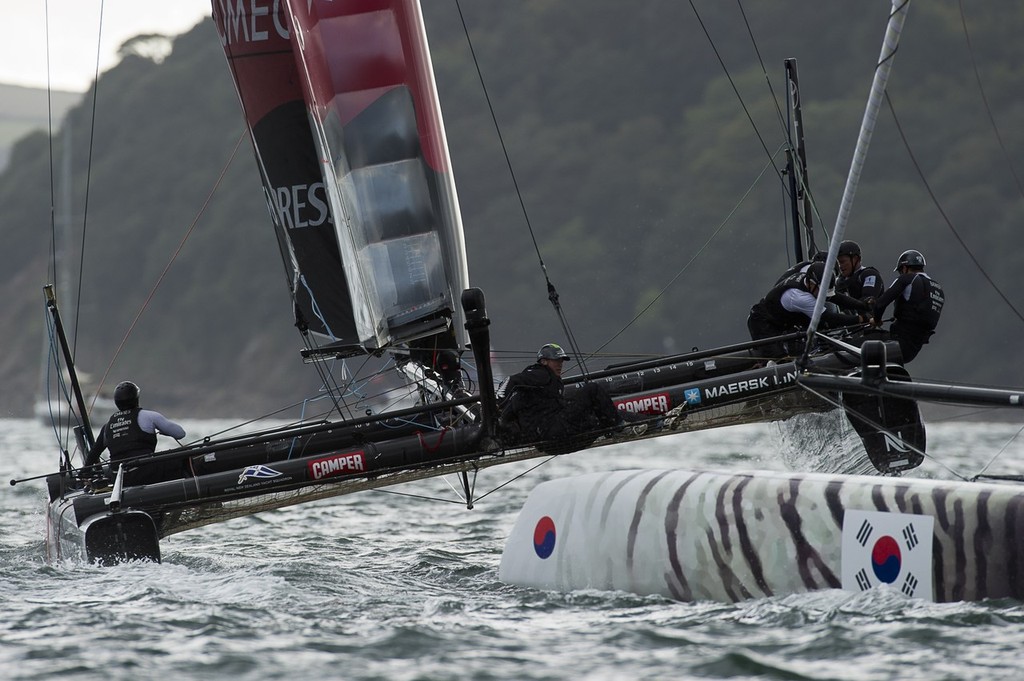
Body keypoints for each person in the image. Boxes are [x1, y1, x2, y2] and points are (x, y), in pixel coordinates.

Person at [497, 343, 632, 451]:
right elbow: (511, 379)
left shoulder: (529, 392)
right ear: (543, 361)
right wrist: (498, 401)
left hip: (549, 442)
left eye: (561, 360)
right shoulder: (540, 373)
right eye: (556, 360)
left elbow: (509, 413)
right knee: (592, 389)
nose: (560, 364)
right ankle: (620, 427)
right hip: (554, 431)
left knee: (597, 417)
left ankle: (639, 423)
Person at [748, 261, 872, 357]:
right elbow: (829, 318)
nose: (824, 296)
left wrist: (863, 305)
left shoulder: (809, 282)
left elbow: (837, 298)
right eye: (822, 292)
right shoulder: (800, 297)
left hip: (782, 321)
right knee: (779, 359)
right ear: (812, 283)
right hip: (763, 322)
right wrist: (860, 319)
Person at [82, 380, 187, 486]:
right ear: (136, 399)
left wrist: (84, 473)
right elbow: (180, 434)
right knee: (183, 457)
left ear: (116, 402)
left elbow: (94, 453)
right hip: (144, 472)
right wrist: (162, 431)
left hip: (118, 477)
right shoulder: (148, 416)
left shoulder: (107, 426)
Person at [872, 249, 944, 363]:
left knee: (853, 345)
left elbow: (880, 304)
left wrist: (876, 320)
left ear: (905, 268)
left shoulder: (907, 279)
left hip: (897, 342)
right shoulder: (937, 288)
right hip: (913, 349)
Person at [835, 240, 885, 306]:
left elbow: (867, 301)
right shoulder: (839, 280)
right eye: (837, 263)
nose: (840, 266)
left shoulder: (869, 274)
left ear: (855, 259)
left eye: (842, 262)